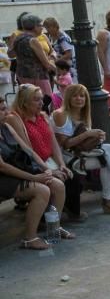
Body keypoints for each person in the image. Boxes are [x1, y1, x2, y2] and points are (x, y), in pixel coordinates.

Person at [52, 84, 110, 215]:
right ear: (68, 98)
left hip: (80, 154)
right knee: (109, 156)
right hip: (65, 158)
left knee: (109, 152)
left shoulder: (83, 115)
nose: (79, 99)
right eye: (75, 96)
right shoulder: (61, 114)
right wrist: (88, 134)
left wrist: (96, 138)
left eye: (82, 96)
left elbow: (82, 143)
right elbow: (65, 144)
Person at [5, 84, 80, 228]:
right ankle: (48, 222)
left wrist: (62, 165)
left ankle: (55, 220)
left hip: (48, 159)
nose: (41, 103)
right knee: (61, 182)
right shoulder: (15, 119)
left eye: (41, 99)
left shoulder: (43, 116)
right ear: (24, 102)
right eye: (36, 100)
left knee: (71, 176)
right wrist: (49, 170)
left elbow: (54, 144)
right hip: (33, 163)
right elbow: (28, 152)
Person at [0, 102, 68, 250]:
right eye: (2, 109)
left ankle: (54, 229)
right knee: (42, 190)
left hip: (17, 169)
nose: (7, 112)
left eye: (5, 108)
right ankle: (29, 238)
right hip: (4, 177)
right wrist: (35, 178)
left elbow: (28, 150)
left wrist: (46, 169)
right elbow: (3, 167)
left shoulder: (6, 127)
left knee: (58, 186)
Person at [11, 15, 56, 96]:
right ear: (35, 27)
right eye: (41, 25)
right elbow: (46, 64)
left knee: (28, 101)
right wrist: (59, 71)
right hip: (37, 76)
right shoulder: (33, 41)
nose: (42, 28)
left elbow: (11, 54)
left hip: (22, 75)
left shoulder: (18, 38)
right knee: (45, 101)